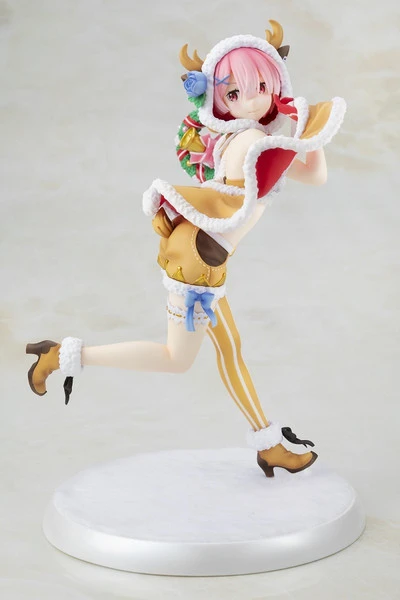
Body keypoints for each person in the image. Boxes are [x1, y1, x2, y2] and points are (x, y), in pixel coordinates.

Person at [26, 21, 346, 478]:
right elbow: (297, 165)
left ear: (274, 82)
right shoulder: (254, 141)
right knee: (178, 359)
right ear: (219, 101)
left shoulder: (250, 139)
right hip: (197, 262)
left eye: (259, 87)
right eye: (234, 93)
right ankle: (61, 356)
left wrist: (307, 132)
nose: (250, 100)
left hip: (205, 258)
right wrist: (306, 124)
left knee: (228, 350)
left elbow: (313, 174)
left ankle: (269, 444)